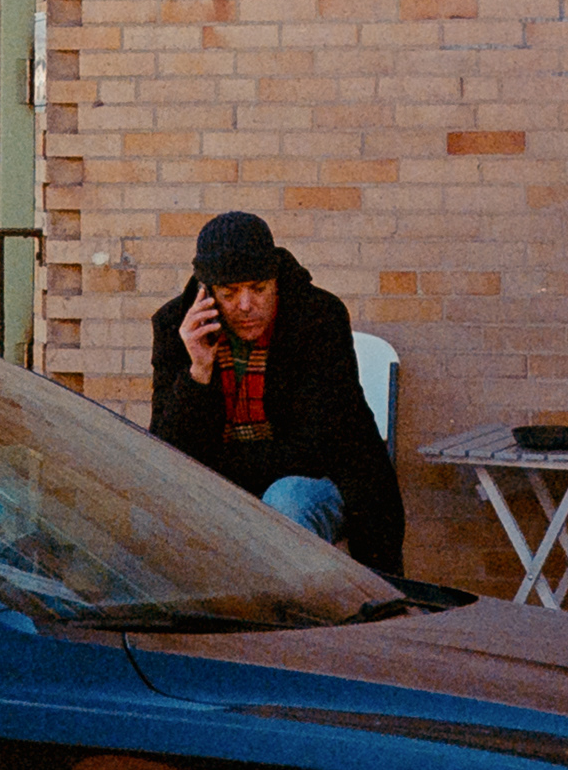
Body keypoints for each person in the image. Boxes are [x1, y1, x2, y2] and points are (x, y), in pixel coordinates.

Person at [147, 208, 404, 575]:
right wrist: (198, 371)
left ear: (276, 281)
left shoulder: (318, 316)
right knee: (147, 516)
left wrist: (217, 469)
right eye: (230, 292)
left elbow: (316, 446)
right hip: (226, 488)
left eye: (259, 288)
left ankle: (287, 628)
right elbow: (166, 453)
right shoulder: (177, 326)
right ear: (207, 293)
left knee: (285, 502)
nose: (246, 305)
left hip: (323, 480)